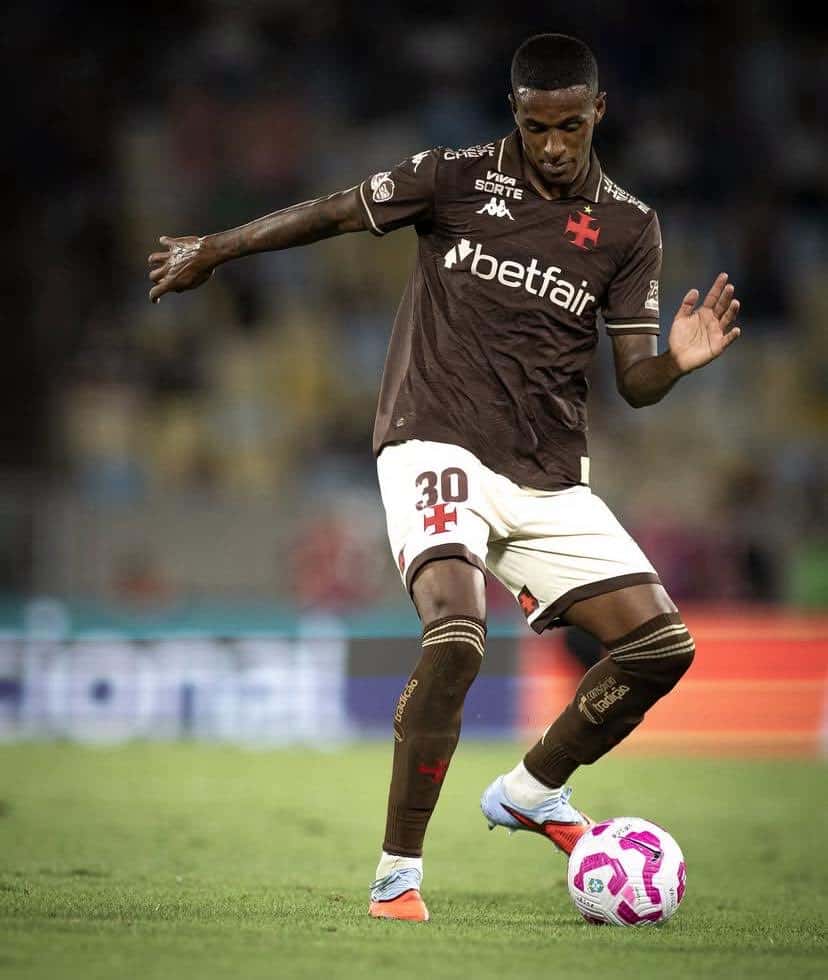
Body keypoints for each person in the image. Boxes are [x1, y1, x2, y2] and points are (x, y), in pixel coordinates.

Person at [148, 33, 741, 923]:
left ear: (598, 115)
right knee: (458, 636)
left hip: (545, 471)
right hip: (435, 442)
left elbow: (635, 382)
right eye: (537, 127)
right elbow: (336, 213)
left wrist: (677, 364)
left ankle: (534, 789)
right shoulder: (455, 178)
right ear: (516, 114)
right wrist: (216, 249)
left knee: (661, 647)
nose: (552, 145)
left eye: (569, 127)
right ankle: (397, 875)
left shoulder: (629, 226)